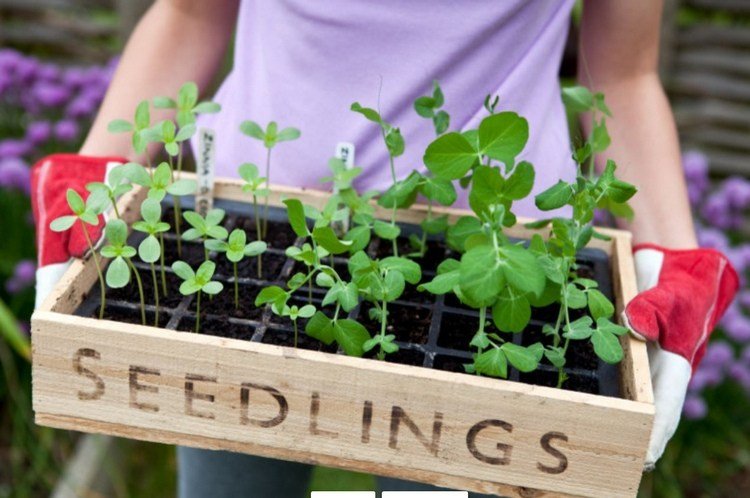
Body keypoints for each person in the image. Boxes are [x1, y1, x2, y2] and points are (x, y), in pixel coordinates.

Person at [31, 1, 738, 497]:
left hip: (492, 275)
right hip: (244, 243)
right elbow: (190, 11)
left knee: (432, 494)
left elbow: (623, 73)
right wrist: (94, 173)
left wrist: (679, 262)